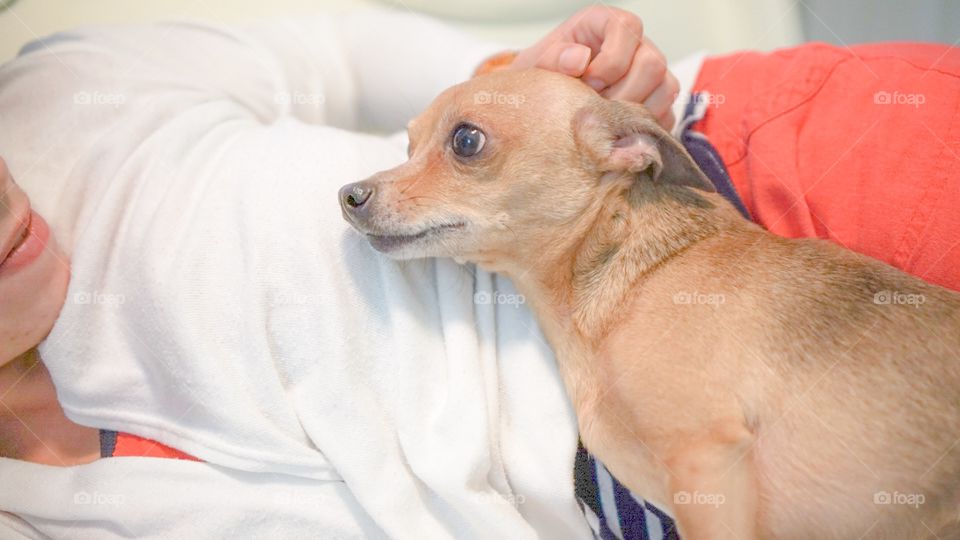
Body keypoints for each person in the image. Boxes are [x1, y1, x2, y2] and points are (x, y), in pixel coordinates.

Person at [0, 7, 682, 539]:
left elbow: (344, 56)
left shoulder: (63, 93)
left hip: (680, 191)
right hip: (637, 501)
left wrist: (515, 88)